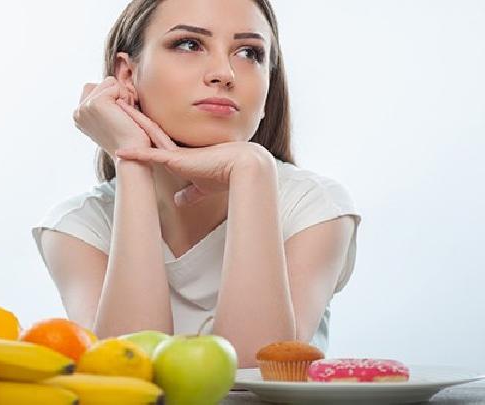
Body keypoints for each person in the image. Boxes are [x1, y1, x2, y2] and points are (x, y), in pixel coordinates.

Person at [32, 0, 361, 368]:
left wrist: (252, 170)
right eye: (189, 44)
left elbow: (256, 376)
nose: (225, 73)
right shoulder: (78, 227)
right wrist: (133, 162)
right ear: (126, 75)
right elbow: (128, 376)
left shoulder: (314, 207)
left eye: (249, 53)